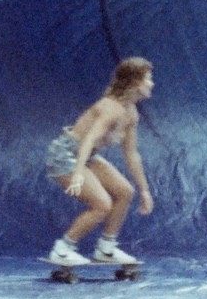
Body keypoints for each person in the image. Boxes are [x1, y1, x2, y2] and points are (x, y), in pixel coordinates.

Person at [44, 57, 156, 267]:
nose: (152, 83)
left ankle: (106, 249)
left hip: (86, 156)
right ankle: (63, 250)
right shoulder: (110, 108)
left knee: (125, 192)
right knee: (101, 205)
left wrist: (144, 190)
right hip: (65, 155)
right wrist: (78, 173)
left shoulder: (131, 113)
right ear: (135, 82)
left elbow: (131, 153)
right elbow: (88, 140)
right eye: (148, 79)